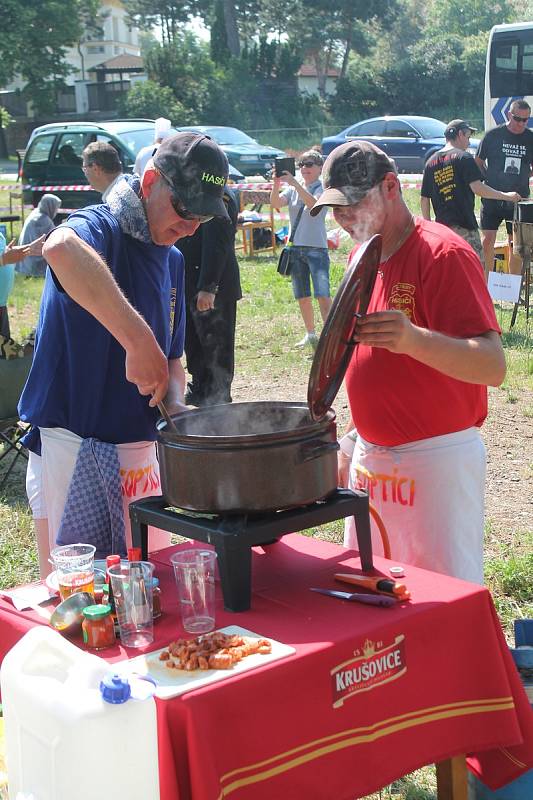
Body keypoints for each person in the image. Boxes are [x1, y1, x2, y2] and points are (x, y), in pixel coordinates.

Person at [18, 131, 230, 577]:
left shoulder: (172, 260)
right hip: (73, 446)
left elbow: (171, 361)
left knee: (148, 587)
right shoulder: (100, 227)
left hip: (140, 450)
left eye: (203, 217)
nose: (191, 225)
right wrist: (137, 339)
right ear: (151, 180)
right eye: (184, 208)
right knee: (78, 595)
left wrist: (176, 403)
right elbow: (59, 249)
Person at [310, 140, 506, 584]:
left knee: (441, 592)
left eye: (353, 204)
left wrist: (415, 340)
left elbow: (493, 365)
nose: (344, 217)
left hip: (436, 463)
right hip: (373, 460)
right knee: (373, 594)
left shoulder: (443, 254)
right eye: (336, 208)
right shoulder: (363, 255)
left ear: (392, 186)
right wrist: (354, 439)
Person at [421, 119, 521, 262]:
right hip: (465, 228)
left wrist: (429, 227)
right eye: (467, 137)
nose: (468, 143)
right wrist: (506, 196)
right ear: (460, 134)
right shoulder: (464, 157)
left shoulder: (431, 162)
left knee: (450, 271)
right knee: (474, 271)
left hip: (442, 230)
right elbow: (478, 188)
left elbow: (424, 199)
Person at [178, 187, 242, 406]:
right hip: (190, 280)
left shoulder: (217, 195)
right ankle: (200, 389)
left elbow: (217, 242)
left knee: (216, 345)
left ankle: (218, 398)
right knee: (194, 342)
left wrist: (208, 286)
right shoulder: (194, 191)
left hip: (214, 285)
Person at [271, 150, 331, 350]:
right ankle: (311, 334)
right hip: (296, 248)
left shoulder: (323, 188)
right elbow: (275, 203)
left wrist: (295, 183)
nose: (305, 168)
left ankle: (330, 334)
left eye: (310, 164)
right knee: (302, 296)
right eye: (302, 164)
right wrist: (276, 183)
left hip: (317, 249)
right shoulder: (293, 189)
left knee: (323, 295)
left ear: (320, 167)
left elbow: (314, 205)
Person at [475, 99, 533, 277]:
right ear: (509, 115)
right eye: (517, 119)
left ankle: (512, 289)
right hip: (493, 197)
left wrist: (524, 177)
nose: (521, 124)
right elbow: (478, 161)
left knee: (515, 245)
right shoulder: (493, 135)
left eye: (525, 120)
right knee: (488, 241)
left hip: (518, 199)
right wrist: (487, 178)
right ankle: (485, 285)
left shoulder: (530, 138)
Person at [1, 232, 45, 339]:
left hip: (1, 304)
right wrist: (4, 259)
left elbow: (4, 252)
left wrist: (28, 248)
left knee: (3, 351)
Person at [16, 194, 61, 278]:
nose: (56, 211)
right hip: (33, 261)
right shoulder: (42, 219)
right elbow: (55, 236)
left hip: (26, 258)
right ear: (50, 206)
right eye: (56, 207)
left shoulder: (36, 212)